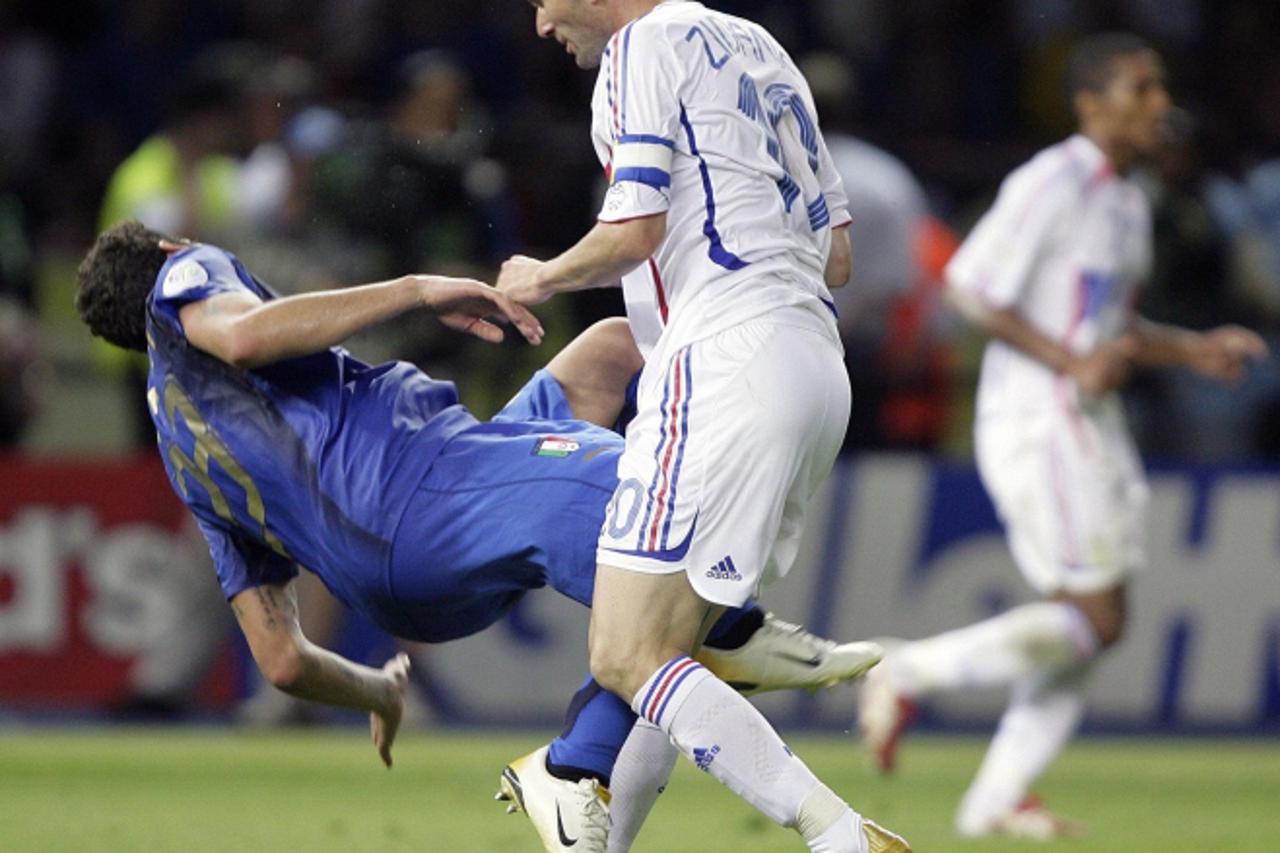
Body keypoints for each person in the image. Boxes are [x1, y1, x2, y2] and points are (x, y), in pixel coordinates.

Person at [74, 220, 881, 798]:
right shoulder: (185, 280)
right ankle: (718, 638)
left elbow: (281, 660)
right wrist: (417, 289)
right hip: (423, 491)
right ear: (174, 255)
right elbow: (247, 336)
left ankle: (692, 636)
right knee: (643, 492)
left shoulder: (187, 457)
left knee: (609, 353)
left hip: (424, 529)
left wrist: (378, 691)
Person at [499, 2, 907, 851]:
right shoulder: (763, 46)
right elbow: (838, 255)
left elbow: (634, 227)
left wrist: (539, 276)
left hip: (722, 360)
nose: (540, 24)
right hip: (813, 366)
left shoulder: (640, 47)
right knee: (671, 650)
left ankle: (836, 833)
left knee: (624, 652)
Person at [857, 33, 1269, 840]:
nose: (1161, 105)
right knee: (1098, 617)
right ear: (1091, 102)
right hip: (1039, 419)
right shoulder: (1051, 181)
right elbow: (971, 287)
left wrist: (1191, 346)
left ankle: (995, 798)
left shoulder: (1123, 198)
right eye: (1142, 89)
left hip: (1085, 419)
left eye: (1161, 90)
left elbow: (1106, 327)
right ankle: (909, 668)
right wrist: (1069, 360)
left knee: (1082, 627)